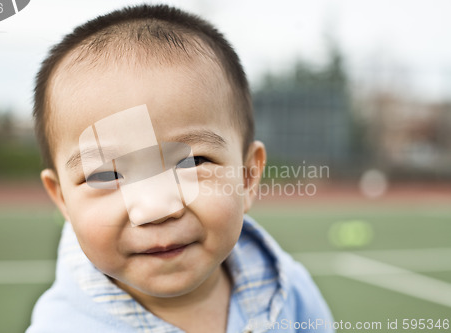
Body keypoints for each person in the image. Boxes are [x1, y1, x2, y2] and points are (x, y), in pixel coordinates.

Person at [27, 4, 333, 333]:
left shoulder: (291, 293)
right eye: (108, 175)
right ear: (62, 201)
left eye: (191, 162)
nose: (156, 209)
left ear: (247, 177)